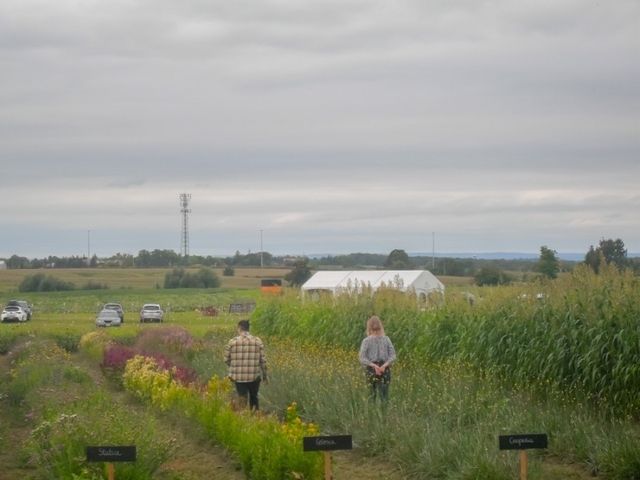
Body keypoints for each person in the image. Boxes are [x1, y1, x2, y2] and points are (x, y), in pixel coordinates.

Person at [224, 319, 267, 410]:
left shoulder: (232, 342)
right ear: (248, 329)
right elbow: (263, 361)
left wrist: (235, 366)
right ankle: (255, 418)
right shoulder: (257, 341)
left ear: (239, 328)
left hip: (238, 377)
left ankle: (243, 419)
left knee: (242, 398)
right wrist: (265, 376)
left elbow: (226, 359)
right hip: (254, 376)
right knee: (254, 397)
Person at [358, 315, 396, 402]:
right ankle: (384, 415)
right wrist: (383, 366)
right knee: (384, 397)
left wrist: (374, 366)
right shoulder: (386, 339)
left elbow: (362, 357)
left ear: (369, 327)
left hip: (371, 369)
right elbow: (393, 355)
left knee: (371, 396)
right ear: (380, 326)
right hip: (385, 369)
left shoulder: (366, 341)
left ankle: (372, 415)